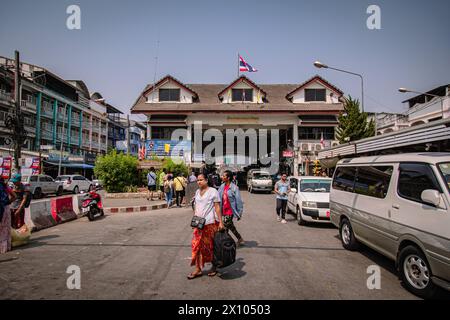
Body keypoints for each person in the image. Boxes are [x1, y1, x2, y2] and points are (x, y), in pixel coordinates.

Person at [188, 173, 224, 279]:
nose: (199, 182)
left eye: (201, 180)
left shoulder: (213, 191)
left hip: (210, 223)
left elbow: (217, 208)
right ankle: (198, 269)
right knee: (196, 246)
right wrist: (194, 220)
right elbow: (196, 206)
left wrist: (221, 222)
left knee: (210, 247)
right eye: (198, 180)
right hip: (199, 224)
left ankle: (214, 267)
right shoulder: (197, 192)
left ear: (206, 180)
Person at [218, 170, 244, 246]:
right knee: (229, 226)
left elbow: (239, 201)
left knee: (226, 225)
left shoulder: (234, 188)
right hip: (223, 210)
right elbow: (217, 196)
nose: (222, 177)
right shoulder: (222, 186)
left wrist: (239, 213)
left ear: (228, 178)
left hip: (230, 210)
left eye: (224, 176)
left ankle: (227, 243)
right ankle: (239, 239)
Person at [0, 177, 16, 254]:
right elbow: (14, 196)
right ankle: (6, 247)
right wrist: (8, 202)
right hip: (5, 208)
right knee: (5, 228)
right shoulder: (5, 186)